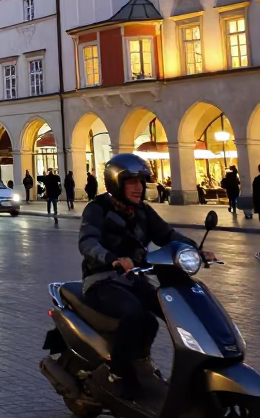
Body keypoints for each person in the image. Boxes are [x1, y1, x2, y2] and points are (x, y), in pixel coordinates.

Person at [79, 153, 204, 397]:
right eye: (132, 182)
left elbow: (167, 235)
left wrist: (195, 250)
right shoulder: (97, 209)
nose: (139, 188)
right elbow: (87, 242)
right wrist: (111, 259)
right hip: (102, 281)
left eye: (141, 182)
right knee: (137, 315)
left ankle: (142, 364)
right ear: (116, 182)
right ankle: (118, 372)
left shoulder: (143, 211)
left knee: (171, 311)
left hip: (134, 278)